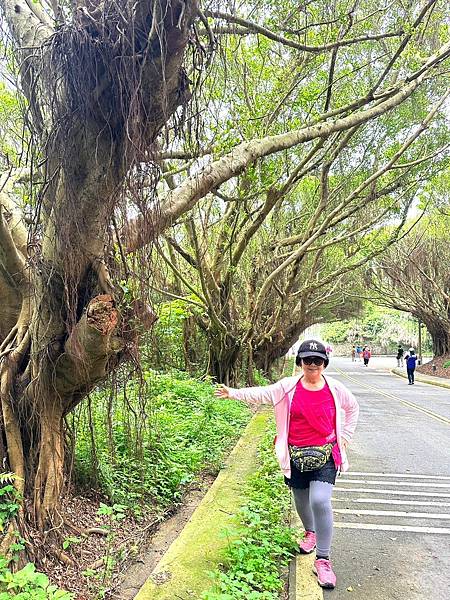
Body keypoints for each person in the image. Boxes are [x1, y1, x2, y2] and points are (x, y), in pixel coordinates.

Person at [215, 339, 359, 589]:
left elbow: (353, 408)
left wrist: (344, 438)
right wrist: (233, 393)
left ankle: (323, 559)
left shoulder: (335, 388)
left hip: (326, 454)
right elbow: (262, 393)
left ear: (324, 363)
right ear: (300, 362)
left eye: (317, 360)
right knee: (301, 499)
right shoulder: (288, 387)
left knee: (320, 500)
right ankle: (310, 533)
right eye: (307, 360)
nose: (312, 364)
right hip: (296, 455)